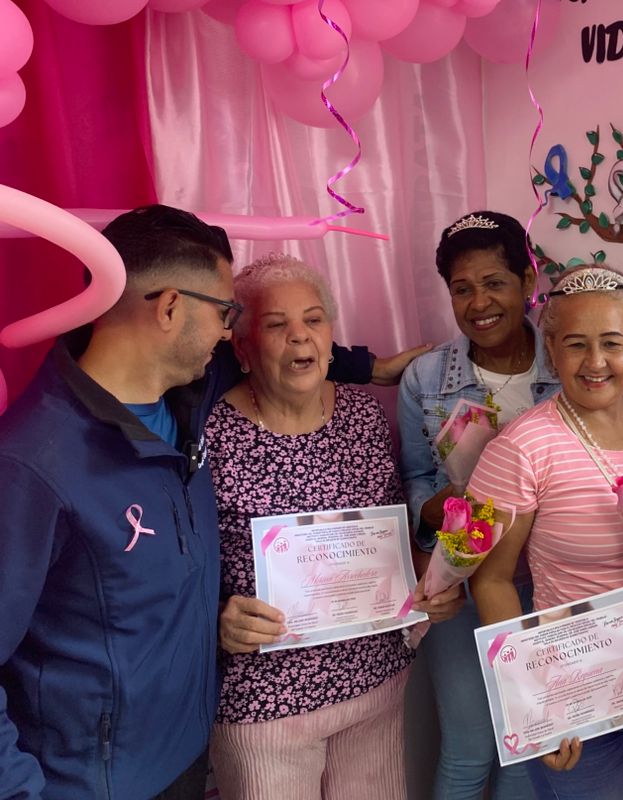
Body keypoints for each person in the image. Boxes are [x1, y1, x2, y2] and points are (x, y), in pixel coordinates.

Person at [0, 205, 419, 800]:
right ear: (170, 309)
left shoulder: (191, 400)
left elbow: (291, 352)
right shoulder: (33, 464)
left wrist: (370, 367)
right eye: (224, 313)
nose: (227, 332)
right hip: (89, 781)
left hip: (186, 755)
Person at [207, 253, 463, 799]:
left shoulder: (364, 416)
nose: (300, 336)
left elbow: (389, 536)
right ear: (243, 349)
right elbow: (177, 570)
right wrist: (217, 617)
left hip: (374, 684)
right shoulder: (211, 434)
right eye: (276, 324)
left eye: (314, 319)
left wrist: (433, 580)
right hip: (264, 702)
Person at [468, 264, 623, 800]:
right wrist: (533, 708)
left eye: (612, 343)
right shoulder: (522, 446)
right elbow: (490, 580)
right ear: (551, 349)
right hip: (573, 698)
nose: (595, 362)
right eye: (575, 344)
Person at [398, 211, 557, 800]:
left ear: (528, 281)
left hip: (551, 584)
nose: (479, 303)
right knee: (468, 748)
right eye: (462, 289)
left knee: (528, 743)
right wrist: (438, 509)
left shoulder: (568, 364)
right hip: (461, 583)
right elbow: (414, 478)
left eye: (494, 283)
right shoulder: (425, 378)